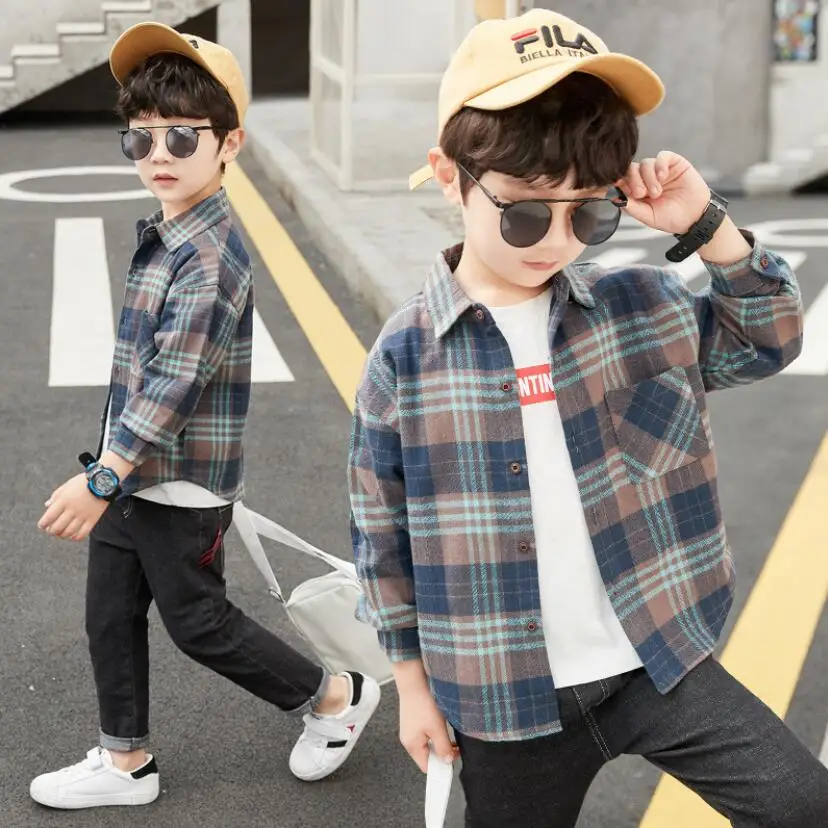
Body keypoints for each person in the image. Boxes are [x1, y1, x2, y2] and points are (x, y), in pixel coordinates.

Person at [349, 8, 828, 827]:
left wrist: (708, 226)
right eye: (525, 212)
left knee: (801, 802)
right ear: (448, 176)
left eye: (591, 213)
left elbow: (771, 338)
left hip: (659, 655)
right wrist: (411, 688)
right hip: (507, 699)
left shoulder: (640, 306)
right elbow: (380, 534)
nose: (557, 240)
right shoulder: (406, 355)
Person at [31, 22, 379, 811]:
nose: (159, 154)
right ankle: (126, 762)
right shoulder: (170, 232)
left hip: (177, 484)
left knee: (200, 624)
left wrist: (102, 476)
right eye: (142, 137)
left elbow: (173, 385)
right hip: (133, 473)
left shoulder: (211, 255)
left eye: (183, 137)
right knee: (109, 615)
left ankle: (335, 697)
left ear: (230, 144)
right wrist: (113, 470)